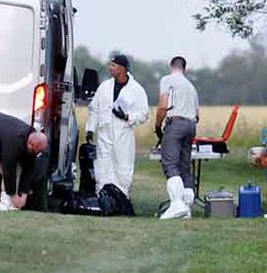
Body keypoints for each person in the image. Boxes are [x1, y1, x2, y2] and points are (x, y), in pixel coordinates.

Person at [85, 54, 149, 197]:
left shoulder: (136, 90)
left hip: (123, 134)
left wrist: (127, 117)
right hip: (104, 133)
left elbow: (144, 114)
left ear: (122, 68)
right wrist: (90, 129)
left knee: (123, 167)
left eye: (113, 65)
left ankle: (122, 198)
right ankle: (103, 197)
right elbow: (94, 108)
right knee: (103, 166)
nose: (110, 68)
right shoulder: (104, 87)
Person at [154, 55, 200, 219]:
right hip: (191, 125)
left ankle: (176, 205)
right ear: (184, 68)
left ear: (171, 66)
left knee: (171, 164)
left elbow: (162, 106)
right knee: (185, 166)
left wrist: (157, 126)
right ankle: (187, 209)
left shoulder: (167, 80)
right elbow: (197, 114)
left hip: (176, 124)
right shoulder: (191, 86)